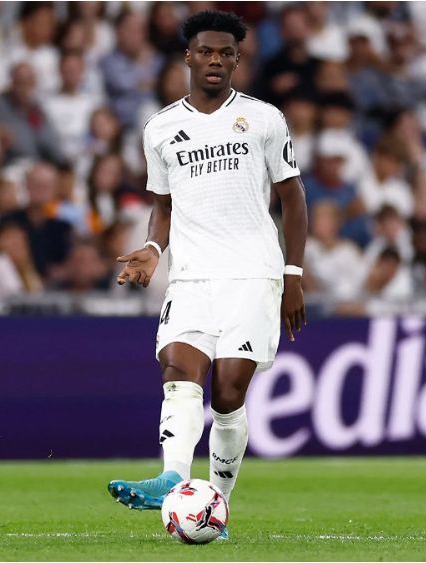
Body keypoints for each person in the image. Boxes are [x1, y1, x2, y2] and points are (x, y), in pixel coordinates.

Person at [106, 11, 308, 541]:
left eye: (225, 53)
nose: (215, 60)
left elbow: (293, 198)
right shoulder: (161, 128)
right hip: (192, 275)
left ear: (237, 60)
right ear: (188, 57)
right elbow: (163, 206)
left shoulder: (264, 120)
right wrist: (153, 248)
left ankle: (217, 503)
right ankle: (174, 478)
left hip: (252, 273)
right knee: (178, 371)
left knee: (228, 393)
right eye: (205, 52)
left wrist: (293, 273)